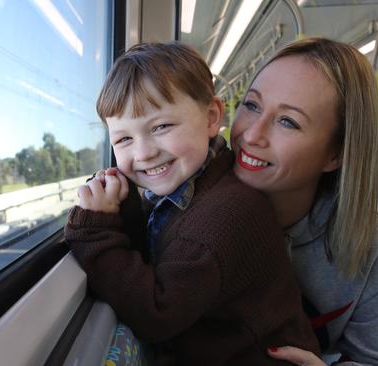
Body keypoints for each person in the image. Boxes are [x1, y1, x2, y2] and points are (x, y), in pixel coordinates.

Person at [64, 42, 320, 365]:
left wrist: (94, 233)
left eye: (161, 127)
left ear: (212, 117)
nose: (143, 153)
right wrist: (121, 206)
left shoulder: (224, 215)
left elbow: (158, 314)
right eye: (124, 139)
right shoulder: (192, 189)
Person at [230, 37, 378, 365]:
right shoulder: (183, 198)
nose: (251, 135)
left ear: (335, 154)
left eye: (287, 121)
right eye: (251, 105)